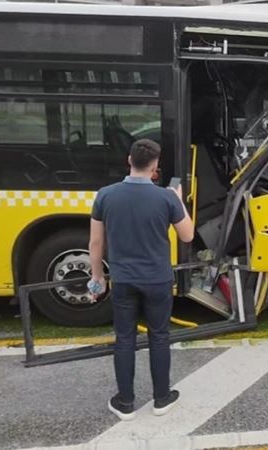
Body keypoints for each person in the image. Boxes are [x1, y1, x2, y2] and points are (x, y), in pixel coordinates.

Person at [89, 139, 195, 421]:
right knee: (159, 336)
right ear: (155, 166)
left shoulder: (105, 195)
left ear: (129, 160)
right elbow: (188, 235)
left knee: (124, 338)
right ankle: (162, 399)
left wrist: (97, 278)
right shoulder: (167, 197)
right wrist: (179, 199)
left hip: (123, 280)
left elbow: (96, 242)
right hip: (158, 280)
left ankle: (125, 403)